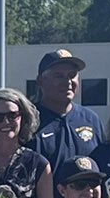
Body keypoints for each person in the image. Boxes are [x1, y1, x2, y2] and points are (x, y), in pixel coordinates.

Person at [30, 49, 105, 180]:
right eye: (59, 76)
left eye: (72, 75)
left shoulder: (90, 119)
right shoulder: (29, 119)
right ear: (40, 81)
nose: (68, 81)